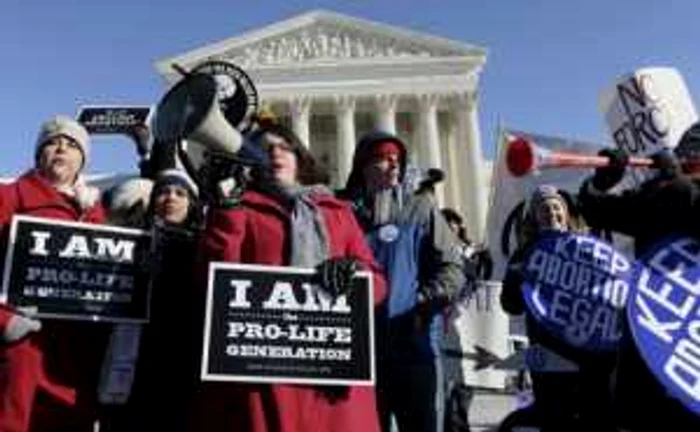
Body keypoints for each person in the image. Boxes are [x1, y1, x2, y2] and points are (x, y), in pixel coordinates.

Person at [196, 123, 387, 432]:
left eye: (284, 146)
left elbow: (377, 284)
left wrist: (354, 273)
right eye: (263, 147)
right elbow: (214, 279)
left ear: (300, 158)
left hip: (334, 376)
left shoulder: (336, 210)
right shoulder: (240, 210)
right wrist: (225, 211)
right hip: (265, 376)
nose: (274, 152)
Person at [339, 131, 465, 432]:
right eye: (384, 158)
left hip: (413, 345)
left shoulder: (420, 208)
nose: (394, 165)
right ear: (364, 166)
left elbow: (452, 268)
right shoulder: (342, 212)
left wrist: (422, 304)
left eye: (398, 160)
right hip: (357, 351)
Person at [578, 122, 700, 431]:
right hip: (654, 344)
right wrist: (601, 182)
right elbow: (596, 210)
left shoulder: (676, 193)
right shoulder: (661, 195)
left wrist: (676, 184)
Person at [0, 115, 108, 431]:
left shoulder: (94, 213)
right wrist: (5, 320)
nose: (61, 147)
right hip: (24, 346)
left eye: (72, 144)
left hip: (75, 355)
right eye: (52, 142)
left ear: (82, 161)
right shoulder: (10, 197)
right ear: (38, 155)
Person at [499, 185, 616, 432]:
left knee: (595, 418)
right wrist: (517, 276)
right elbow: (511, 305)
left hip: (589, 353)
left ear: (565, 212)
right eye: (544, 209)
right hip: (548, 356)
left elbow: (609, 292)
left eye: (556, 207)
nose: (551, 212)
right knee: (555, 420)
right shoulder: (524, 254)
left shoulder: (588, 247)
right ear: (535, 217)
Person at [100, 169, 202, 431]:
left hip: (183, 355)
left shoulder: (203, 243)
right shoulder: (132, 238)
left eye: (180, 193)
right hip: (135, 354)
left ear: (191, 203)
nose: (171, 198)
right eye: (164, 192)